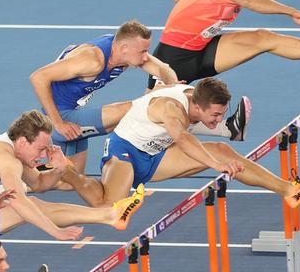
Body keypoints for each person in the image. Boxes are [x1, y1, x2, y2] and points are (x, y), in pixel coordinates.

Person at [0, 109, 144, 268]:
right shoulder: (4, 157)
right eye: (41, 148)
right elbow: (19, 200)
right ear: (23, 142)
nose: (44, 155)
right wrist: (56, 232)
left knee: (29, 203)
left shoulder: (16, 153)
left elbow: (38, 184)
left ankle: (110, 215)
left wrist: (58, 170)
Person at [61, 77, 300, 209]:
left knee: (222, 150)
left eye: (222, 114)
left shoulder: (196, 95)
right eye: (215, 115)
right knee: (107, 208)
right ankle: (68, 172)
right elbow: (183, 138)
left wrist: (217, 159)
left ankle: (290, 191)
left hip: (156, 155)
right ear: (197, 107)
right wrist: (214, 165)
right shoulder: (172, 109)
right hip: (124, 151)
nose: (219, 121)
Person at [30, 19, 249, 173]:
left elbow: (163, 69)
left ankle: (30, 173)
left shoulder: (122, 53)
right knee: (135, 109)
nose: (145, 57)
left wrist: (170, 87)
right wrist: (58, 123)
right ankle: (225, 129)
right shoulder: (92, 60)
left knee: (69, 180)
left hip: (75, 114)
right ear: (124, 48)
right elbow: (38, 77)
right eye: (142, 52)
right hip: (59, 119)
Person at [147, 0, 300, 91]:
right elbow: (250, 0)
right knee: (151, 124)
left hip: (201, 51)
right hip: (171, 62)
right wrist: (292, 12)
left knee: (263, 38)